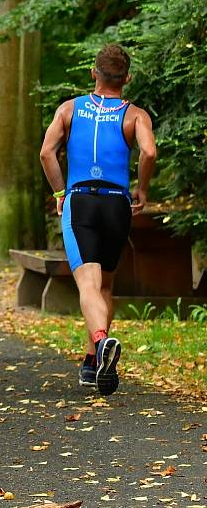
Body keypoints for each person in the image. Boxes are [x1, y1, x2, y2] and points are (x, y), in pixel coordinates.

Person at [39, 44, 157, 396]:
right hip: (116, 204)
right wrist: (142, 189)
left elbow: (47, 152)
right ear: (127, 79)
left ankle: (102, 340)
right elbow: (149, 151)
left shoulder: (69, 109)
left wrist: (60, 193)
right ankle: (93, 362)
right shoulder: (135, 115)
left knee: (88, 285)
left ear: (94, 73)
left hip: (82, 201)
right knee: (105, 285)